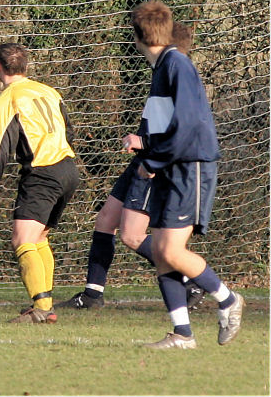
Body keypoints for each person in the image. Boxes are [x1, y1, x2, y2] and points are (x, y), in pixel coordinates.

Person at [57, 21, 205, 311]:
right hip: (141, 159)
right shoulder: (162, 72)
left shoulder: (177, 75)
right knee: (105, 221)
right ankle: (92, 295)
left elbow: (181, 130)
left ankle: (190, 279)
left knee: (132, 235)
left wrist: (145, 143)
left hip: (154, 164)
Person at [124, 0, 243, 349]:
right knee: (161, 251)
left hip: (190, 167)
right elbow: (170, 125)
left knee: (172, 251)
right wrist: (145, 144)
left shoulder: (177, 64)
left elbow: (188, 126)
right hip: (172, 166)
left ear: (138, 37)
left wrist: (153, 160)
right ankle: (182, 334)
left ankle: (228, 299)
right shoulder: (163, 66)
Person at [0, 43, 79, 324]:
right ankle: (45, 305)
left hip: (43, 173)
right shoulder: (49, 91)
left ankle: (42, 308)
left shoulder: (8, 99)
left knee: (22, 240)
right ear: (26, 66)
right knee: (40, 238)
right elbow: (68, 129)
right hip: (68, 168)